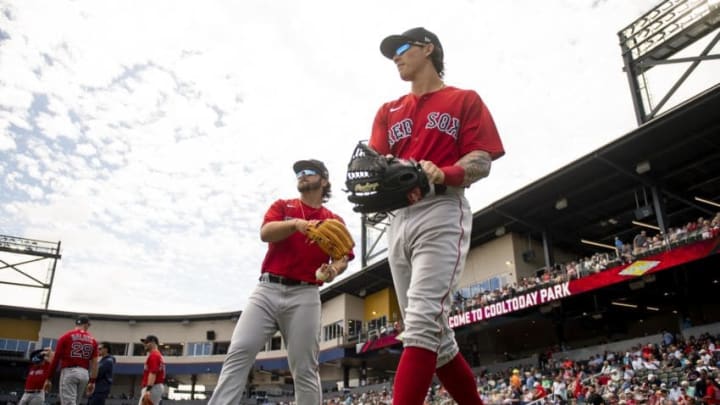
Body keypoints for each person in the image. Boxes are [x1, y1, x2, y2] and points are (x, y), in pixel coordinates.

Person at [369, 27, 505, 404]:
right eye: (391, 53)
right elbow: (374, 167)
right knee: (438, 341)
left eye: (400, 48)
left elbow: (481, 160)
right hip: (399, 219)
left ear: (427, 48)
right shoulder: (387, 110)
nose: (395, 57)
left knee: (422, 322)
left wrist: (445, 172)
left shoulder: (463, 99)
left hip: (442, 208)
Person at [208, 159, 354, 405]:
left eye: (309, 172)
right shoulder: (284, 206)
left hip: (305, 295)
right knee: (239, 351)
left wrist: (333, 270)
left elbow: (344, 257)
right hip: (267, 289)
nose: (302, 175)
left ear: (324, 180)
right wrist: (296, 224)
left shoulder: (333, 219)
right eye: (299, 172)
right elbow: (265, 232)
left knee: (305, 367)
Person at [45, 314, 99, 405]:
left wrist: (48, 378)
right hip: (84, 374)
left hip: (69, 372)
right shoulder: (93, 340)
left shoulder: (65, 337)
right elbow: (95, 363)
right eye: (88, 325)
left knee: (68, 403)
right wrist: (92, 381)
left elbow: (56, 359)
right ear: (86, 324)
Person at [139, 335, 165, 405]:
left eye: (146, 342)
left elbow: (153, 373)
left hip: (153, 387)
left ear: (153, 342)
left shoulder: (154, 355)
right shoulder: (158, 355)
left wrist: (148, 390)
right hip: (156, 387)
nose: (144, 344)